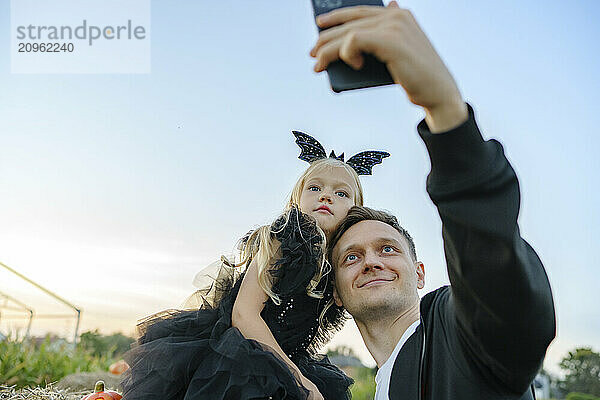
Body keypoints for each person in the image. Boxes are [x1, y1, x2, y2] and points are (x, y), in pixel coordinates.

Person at [311, 3, 556, 399]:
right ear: (336, 293)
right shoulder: (374, 387)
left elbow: (501, 290)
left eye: (387, 249)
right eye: (351, 257)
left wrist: (444, 112)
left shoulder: (458, 333)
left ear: (420, 273)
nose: (372, 260)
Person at [121, 133, 390, 400]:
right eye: (315, 188)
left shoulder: (342, 264)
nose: (326, 197)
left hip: (287, 360)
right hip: (238, 356)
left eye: (341, 193)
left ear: (356, 208)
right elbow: (243, 314)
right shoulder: (284, 238)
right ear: (297, 199)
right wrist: (300, 381)